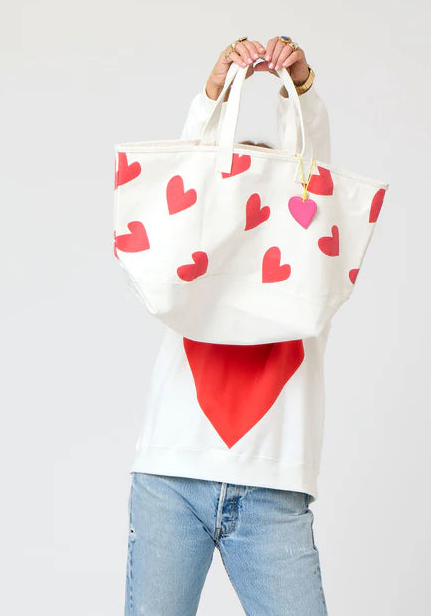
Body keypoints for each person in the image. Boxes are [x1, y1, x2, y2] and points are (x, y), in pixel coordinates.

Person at [124, 36, 331, 615]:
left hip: (274, 491)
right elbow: (186, 187)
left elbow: (317, 178)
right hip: (170, 481)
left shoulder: (306, 266)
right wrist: (213, 98)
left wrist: (302, 92)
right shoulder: (196, 263)